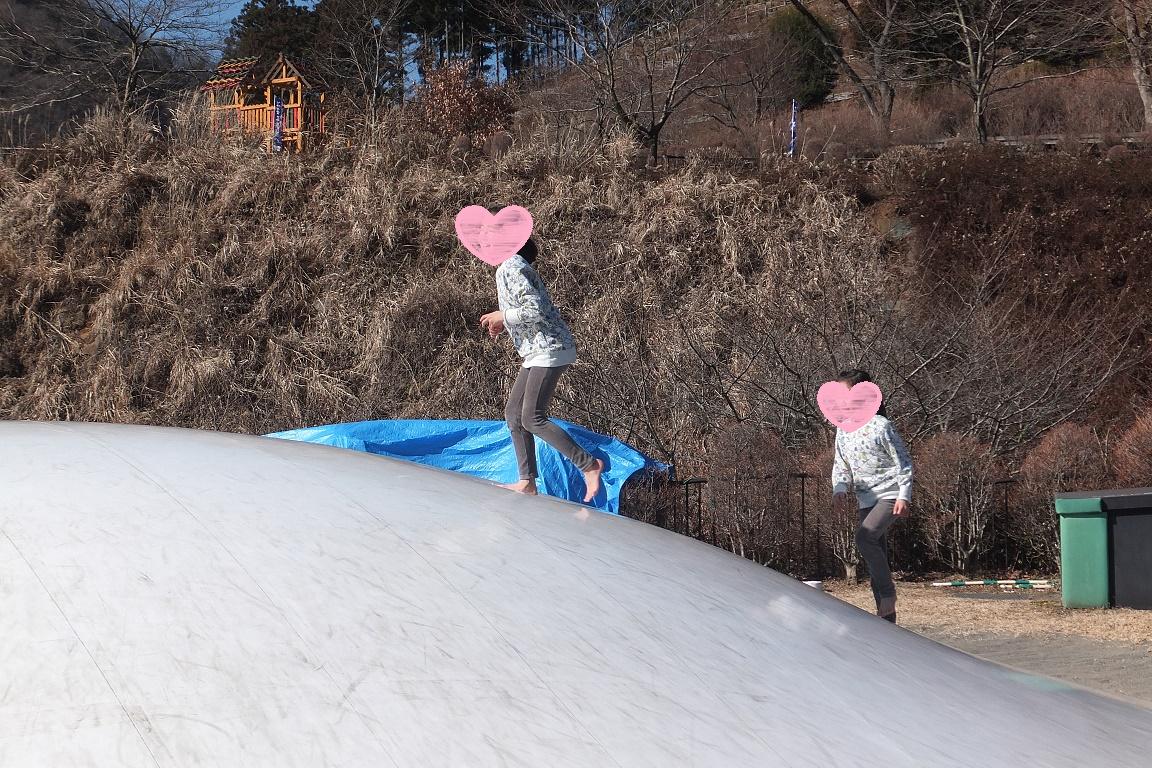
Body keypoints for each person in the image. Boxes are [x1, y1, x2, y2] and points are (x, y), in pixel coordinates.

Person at [479, 237, 604, 502]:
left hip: (549, 348)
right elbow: (527, 308)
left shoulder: (511, 265)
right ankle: (527, 481)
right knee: (514, 414)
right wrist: (504, 321)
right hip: (538, 349)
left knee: (532, 417)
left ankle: (589, 465)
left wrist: (503, 316)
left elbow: (535, 308)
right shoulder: (512, 265)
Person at [830, 369, 914, 624]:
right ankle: (887, 621)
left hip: (890, 493)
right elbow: (841, 464)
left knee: (864, 538)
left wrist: (904, 495)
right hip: (865, 498)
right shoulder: (843, 429)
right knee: (878, 555)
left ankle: (888, 594)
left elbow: (903, 462)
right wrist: (840, 488)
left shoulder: (881, 426)